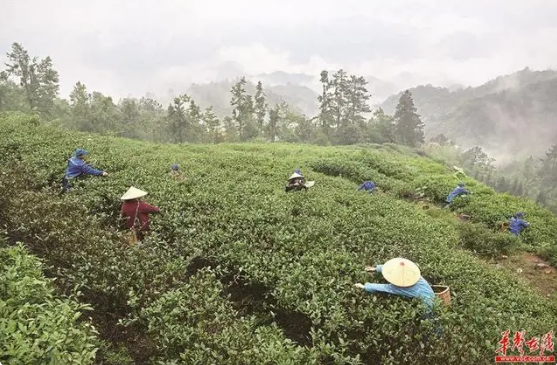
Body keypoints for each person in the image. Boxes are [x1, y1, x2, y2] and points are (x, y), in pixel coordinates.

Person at [354, 258, 435, 311]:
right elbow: (394, 268)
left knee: (432, 326)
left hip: (427, 305)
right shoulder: (415, 276)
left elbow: (385, 288)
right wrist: (376, 269)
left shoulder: (405, 287)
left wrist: (364, 287)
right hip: (433, 296)